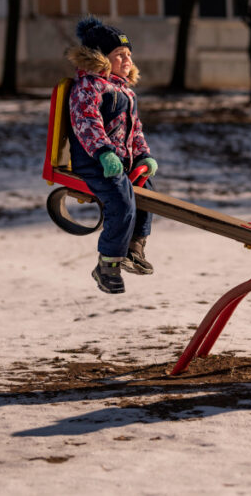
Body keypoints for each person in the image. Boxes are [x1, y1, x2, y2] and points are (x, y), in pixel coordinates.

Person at [66, 16, 159, 294]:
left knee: (147, 196)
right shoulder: (88, 88)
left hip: (122, 161)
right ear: (101, 59)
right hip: (96, 162)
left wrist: (143, 155)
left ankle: (134, 249)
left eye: (129, 54)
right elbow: (87, 123)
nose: (127, 60)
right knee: (121, 202)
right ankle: (107, 265)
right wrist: (104, 153)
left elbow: (135, 130)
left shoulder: (123, 90)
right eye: (119, 55)